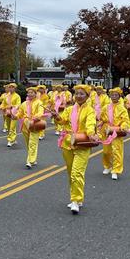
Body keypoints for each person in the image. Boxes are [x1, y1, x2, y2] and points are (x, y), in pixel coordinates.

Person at [52, 84, 98, 214]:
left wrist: (91, 134)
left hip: (82, 144)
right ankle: (77, 197)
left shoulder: (90, 110)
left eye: (82, 94)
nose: (78, 96)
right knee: (71, 172)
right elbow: (63, 121)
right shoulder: (70, 109)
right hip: (68, 143)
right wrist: (57, 116)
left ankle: (76, 200)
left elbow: (90, 124)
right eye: (77, 93)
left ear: (87, 96)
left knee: (76, 173)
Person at [100, 87, 130, 180]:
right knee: (106, 151)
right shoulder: (106, 107)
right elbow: (102, 118)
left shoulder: (122, 108)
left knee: (117, 151)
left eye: (116, 95)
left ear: (119, 96)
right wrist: (100, 123)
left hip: (116, 130)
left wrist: (123, 126)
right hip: (106, 130)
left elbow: (125, 120)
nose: (113, 96)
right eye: (112, 95)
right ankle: (107, 166)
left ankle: (116, 170)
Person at [14, 86, 43, 169]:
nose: (30, 94)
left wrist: (36, 117)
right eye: (29, 93)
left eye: (32, 92)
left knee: (32, 143)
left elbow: (40, 112)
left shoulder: (39, 102)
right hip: (25, 125)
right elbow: (20, 113)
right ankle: (33, 158)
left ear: (35, 94)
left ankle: (30, 161)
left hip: (34, 124)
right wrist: (14, 116)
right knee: (28, 143)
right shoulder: (24, 103)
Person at [0, 83, 22, 147]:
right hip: (7, 112)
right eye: (10, 87)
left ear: (15, 88)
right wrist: (0, 107)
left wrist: (13, 106)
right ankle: (13, 139)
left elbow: (18, 104)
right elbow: (3, 104)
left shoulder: (17, 96)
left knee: (12, 127)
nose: (11, 88)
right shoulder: (6, 96)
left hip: (14, 113)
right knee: (9, 127)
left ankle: (10, 140)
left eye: (12, 87)